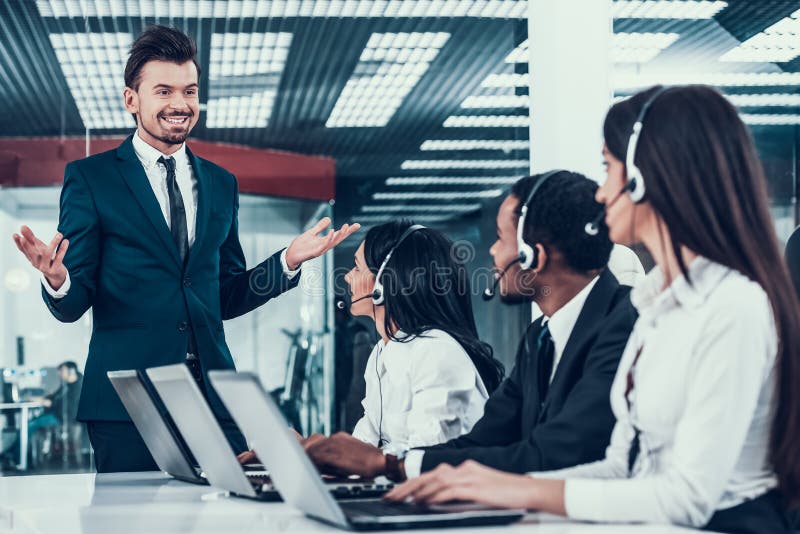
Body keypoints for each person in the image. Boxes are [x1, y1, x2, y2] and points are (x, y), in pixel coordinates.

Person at [387, 85, 800, 533]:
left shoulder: (733, 306)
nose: (601, 194)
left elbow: (687, 498)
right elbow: (620, 467)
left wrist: (519, 490)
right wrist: (486, 486)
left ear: (644, 178)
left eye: (608, 168)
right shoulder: (656, 303)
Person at [11, 25, 359, 473]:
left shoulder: (220, 183)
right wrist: (58, 281)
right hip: (129, 403)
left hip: (214, 397)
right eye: (164, 91)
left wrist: (286, 262)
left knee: (231, 515)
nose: (180, 104)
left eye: (190, 91)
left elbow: (225, 296)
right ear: (131, 99)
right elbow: (73, 304)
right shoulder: (91, 179)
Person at [303, 171, 637, 482]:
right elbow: (483, 441)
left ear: (533, 255)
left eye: (499, 238)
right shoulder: (540, 338)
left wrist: (392, 465)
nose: (491, 251)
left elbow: (555, 454)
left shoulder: (625, 324)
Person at [266, 221, 505, 477]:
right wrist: (303, 452)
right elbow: (363, 447)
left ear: (384, 283)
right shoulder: (383, 350)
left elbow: (428, 458)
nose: (347, 277)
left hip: (440, 503)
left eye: (357, 267)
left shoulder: (437, 352)